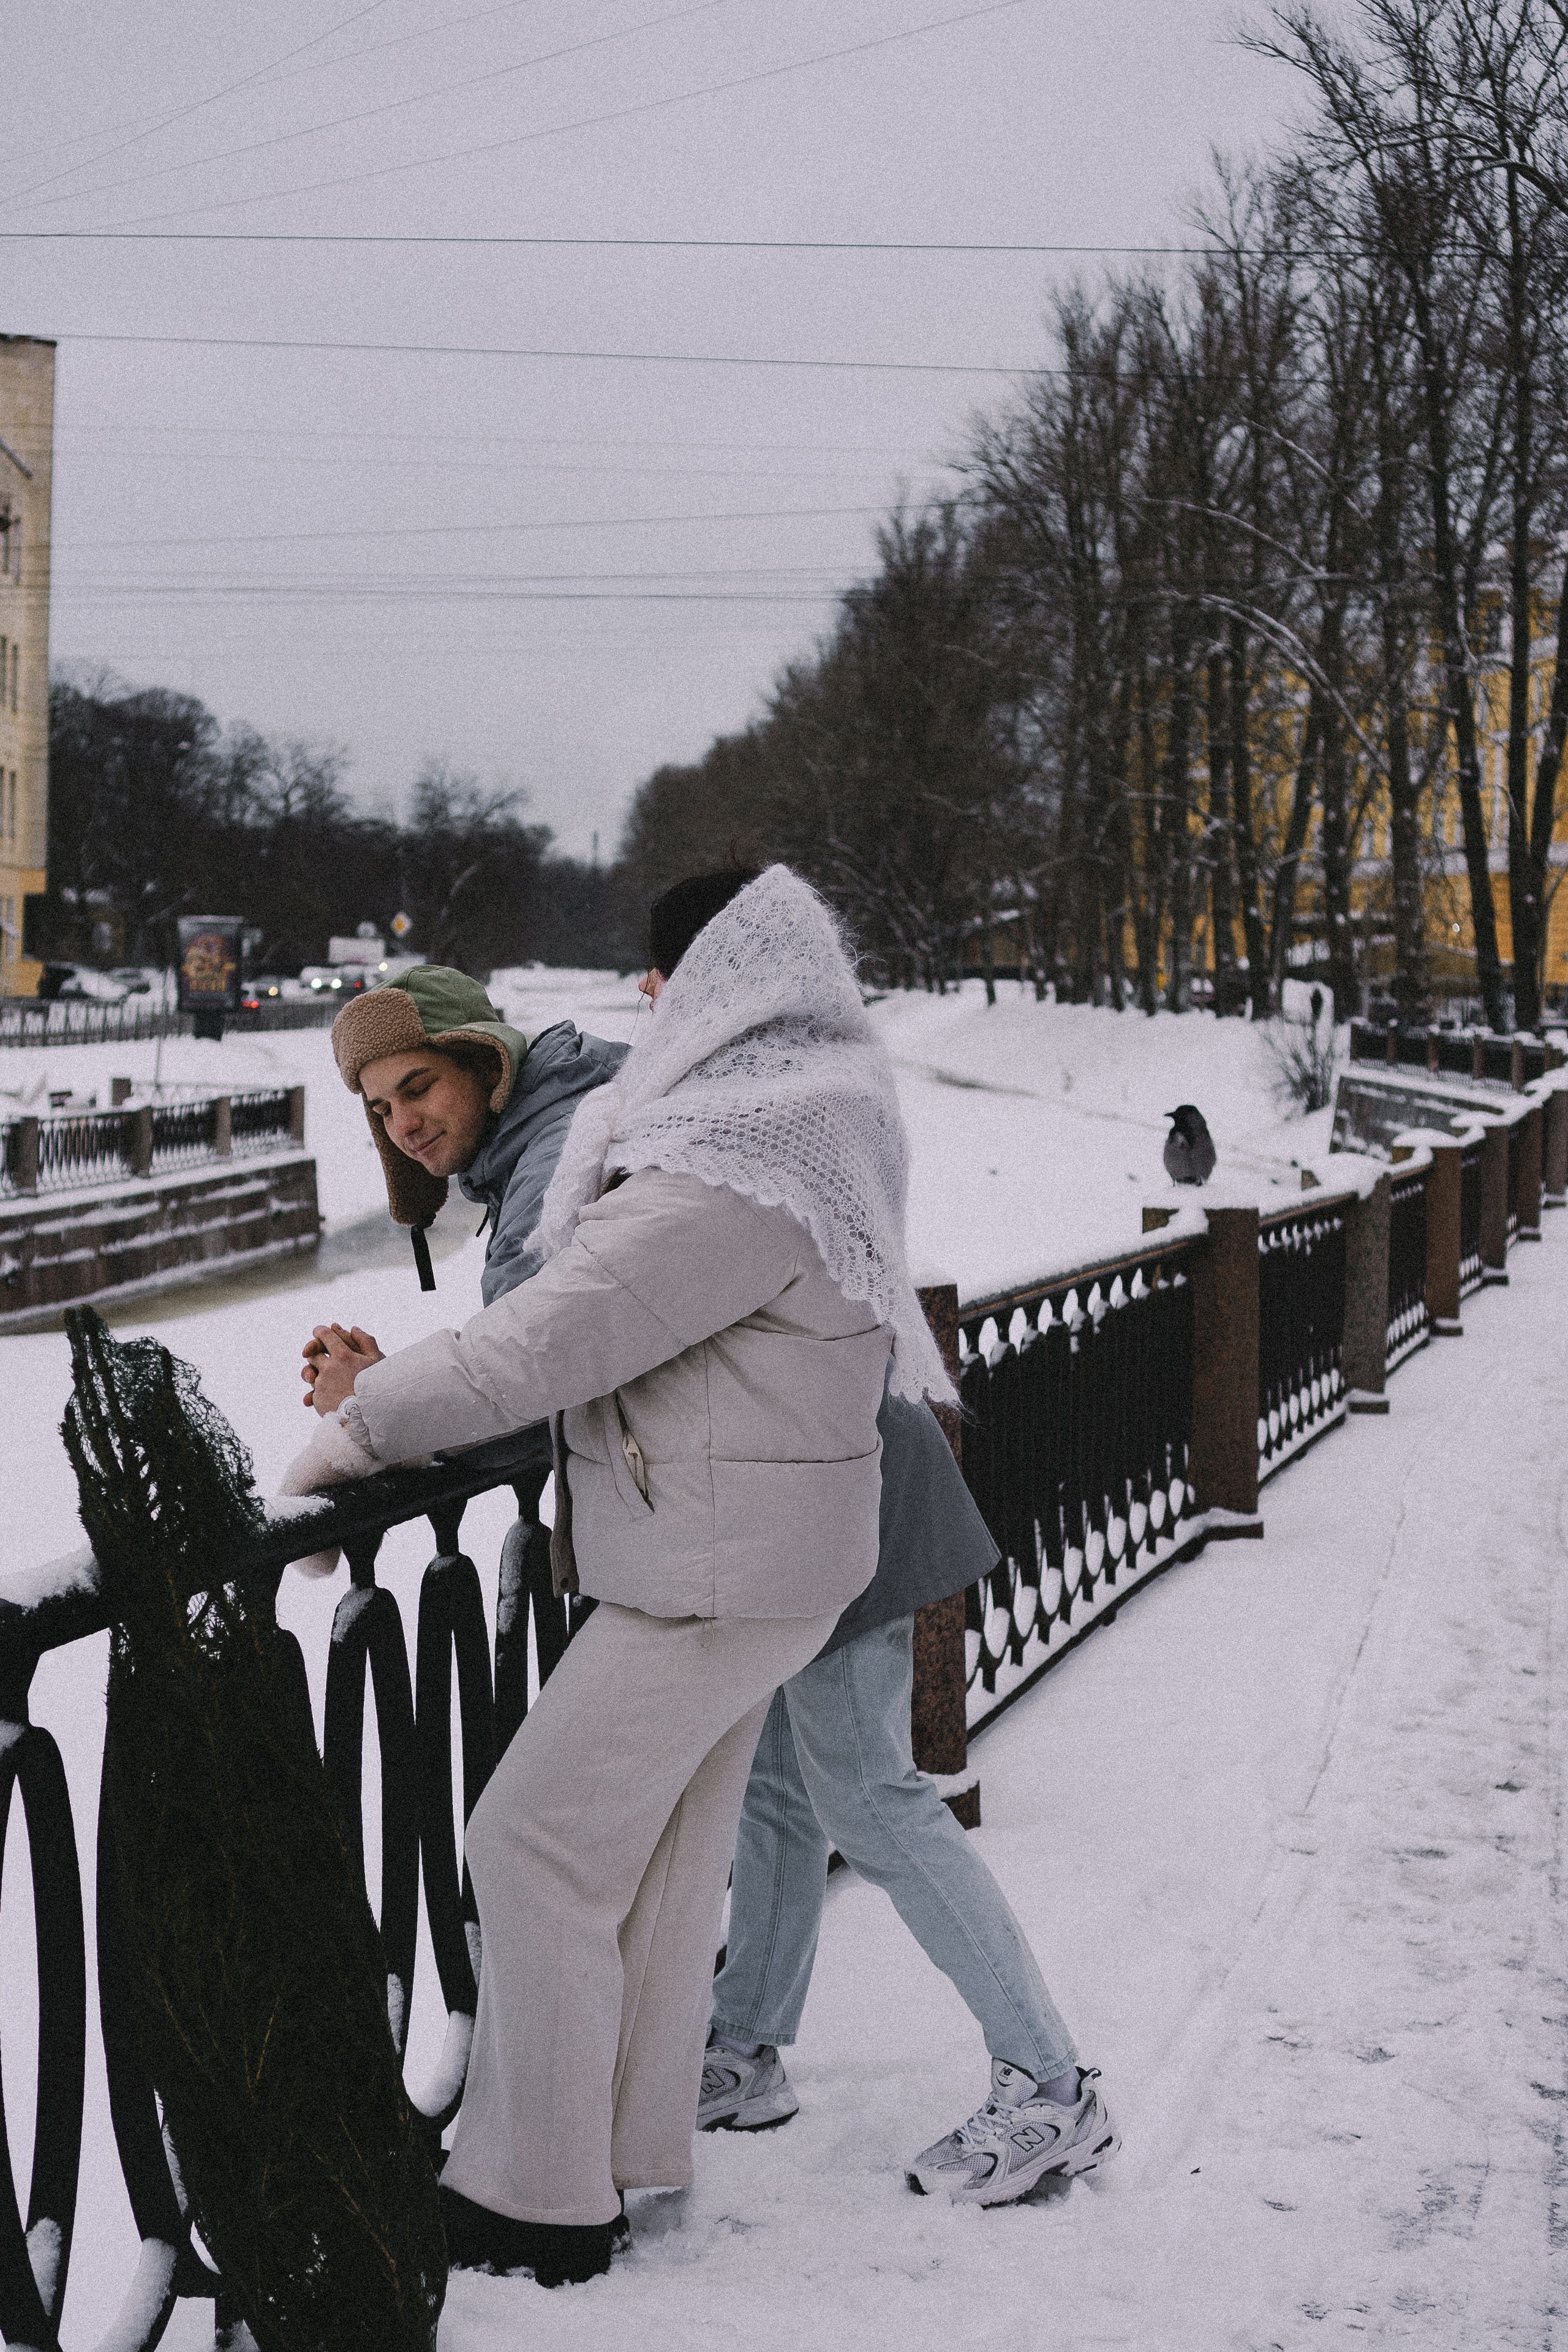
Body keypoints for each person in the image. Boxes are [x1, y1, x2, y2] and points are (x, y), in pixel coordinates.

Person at [283, 865, 951, 2287]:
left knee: (527, 1841)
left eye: (669, 972)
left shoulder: (743, 1146)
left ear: (730, 973)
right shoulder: (808, 1112)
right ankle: (625, 2153)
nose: (651, 1000)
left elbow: (559, 1333)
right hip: (753, 1553)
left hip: (717, 1564)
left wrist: (354, 1433)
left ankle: (537, 2198)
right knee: (652, 1867)